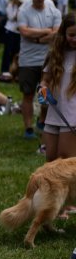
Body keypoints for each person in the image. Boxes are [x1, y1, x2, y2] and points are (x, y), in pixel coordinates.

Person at [18, 0, 62, 139]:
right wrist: (46, 32)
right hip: (28, 60)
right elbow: (24, 32)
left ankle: (42, 120)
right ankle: (28, 128)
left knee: (46, 93)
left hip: (48, 59)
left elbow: (57, 33)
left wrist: (36, 36)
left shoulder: (54, 12)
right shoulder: (24, 11)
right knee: (28, 94)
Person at [40, 12, 76, 161]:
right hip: (54, 113)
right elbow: (45, 80)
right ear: (63, 34)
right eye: (71, 35)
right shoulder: (56, 54)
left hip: (72, 116)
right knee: (50, 160)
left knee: (65, 161)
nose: (75, 39)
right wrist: (43, 90)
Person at [0, 0, 25, 82]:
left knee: (17, 53)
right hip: (10, 31)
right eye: (19, 1)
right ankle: (5, 71)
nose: (20, 2)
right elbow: (11, 18)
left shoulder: (24, 6)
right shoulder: (10, 6)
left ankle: (15, 72)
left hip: (19, 32)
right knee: (8, 52)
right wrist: (19, 11)